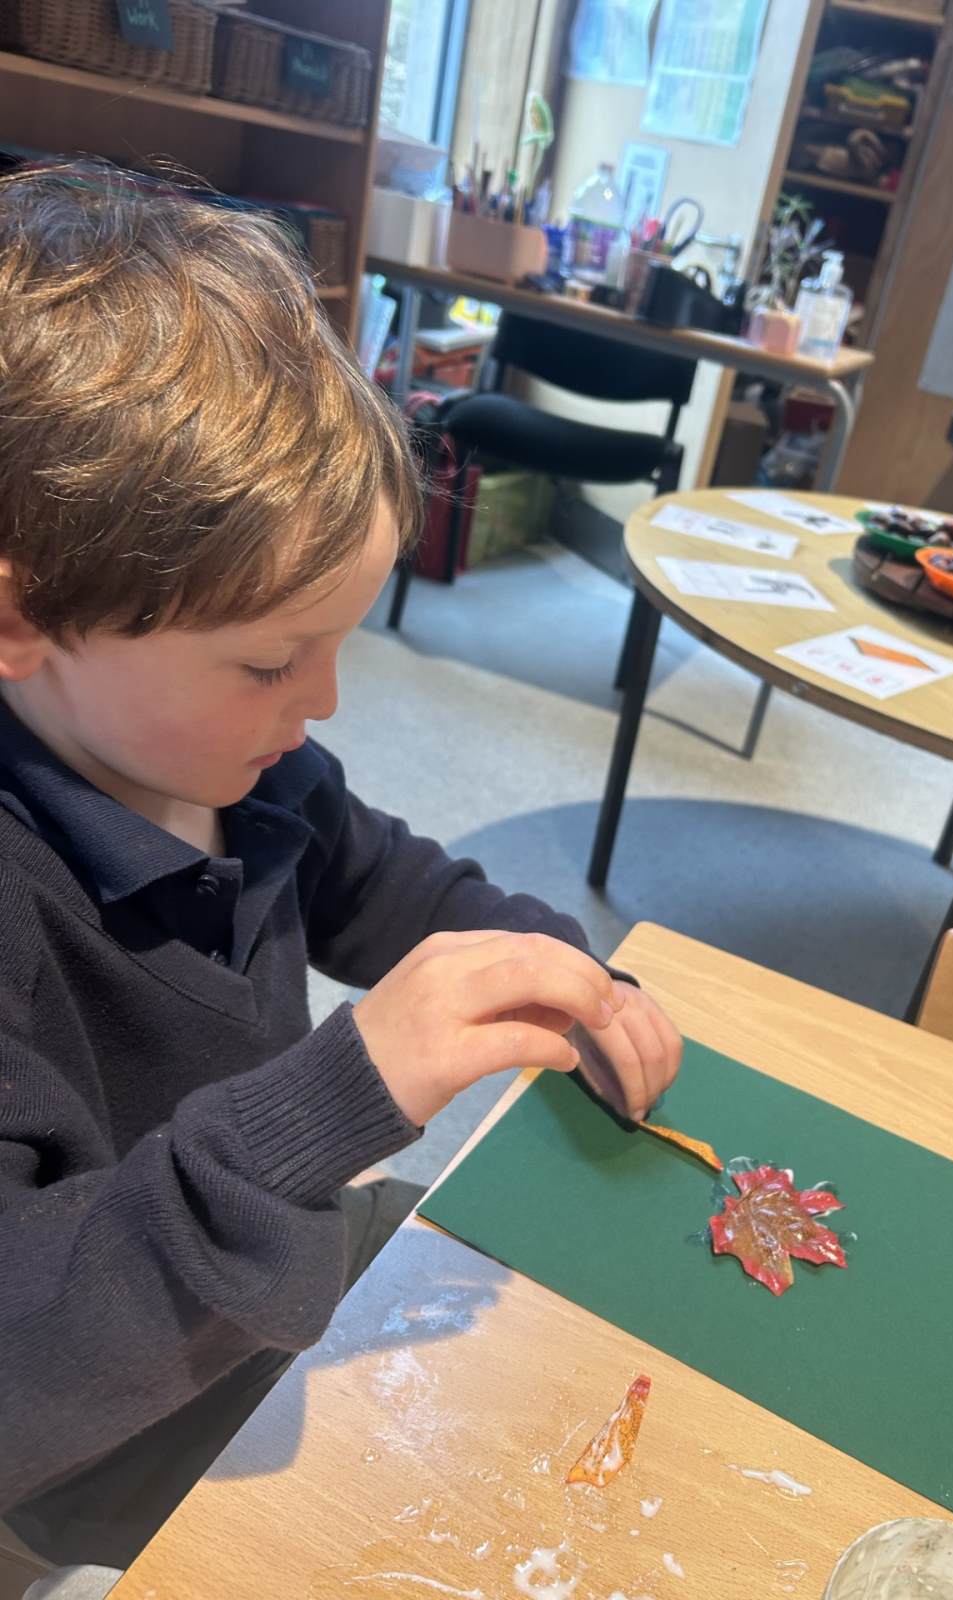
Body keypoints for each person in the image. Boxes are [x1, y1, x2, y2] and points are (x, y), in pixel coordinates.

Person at [0, 159, 682, 1577]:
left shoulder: (247, 772)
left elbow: (384, 883)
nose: (319, 706)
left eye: (335, 648)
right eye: (270, 662)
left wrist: (551, 964)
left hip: (268, 1269)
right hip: (103, 1424)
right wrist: (332, 1102)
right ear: (23, 621)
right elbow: (26, 1365)